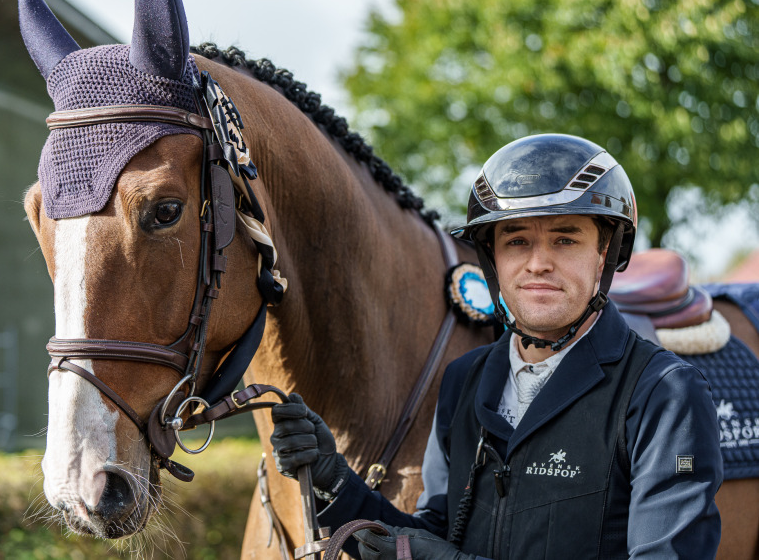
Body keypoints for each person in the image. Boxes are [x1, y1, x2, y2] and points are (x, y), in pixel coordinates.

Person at [270, 134, 722, 559]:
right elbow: (433, 537)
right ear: (493, 260)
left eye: (565, 239)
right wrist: (334, 481)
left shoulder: (665, 394)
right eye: (517, 241)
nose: (538, 263)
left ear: (603, 254)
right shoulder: (462, 380)